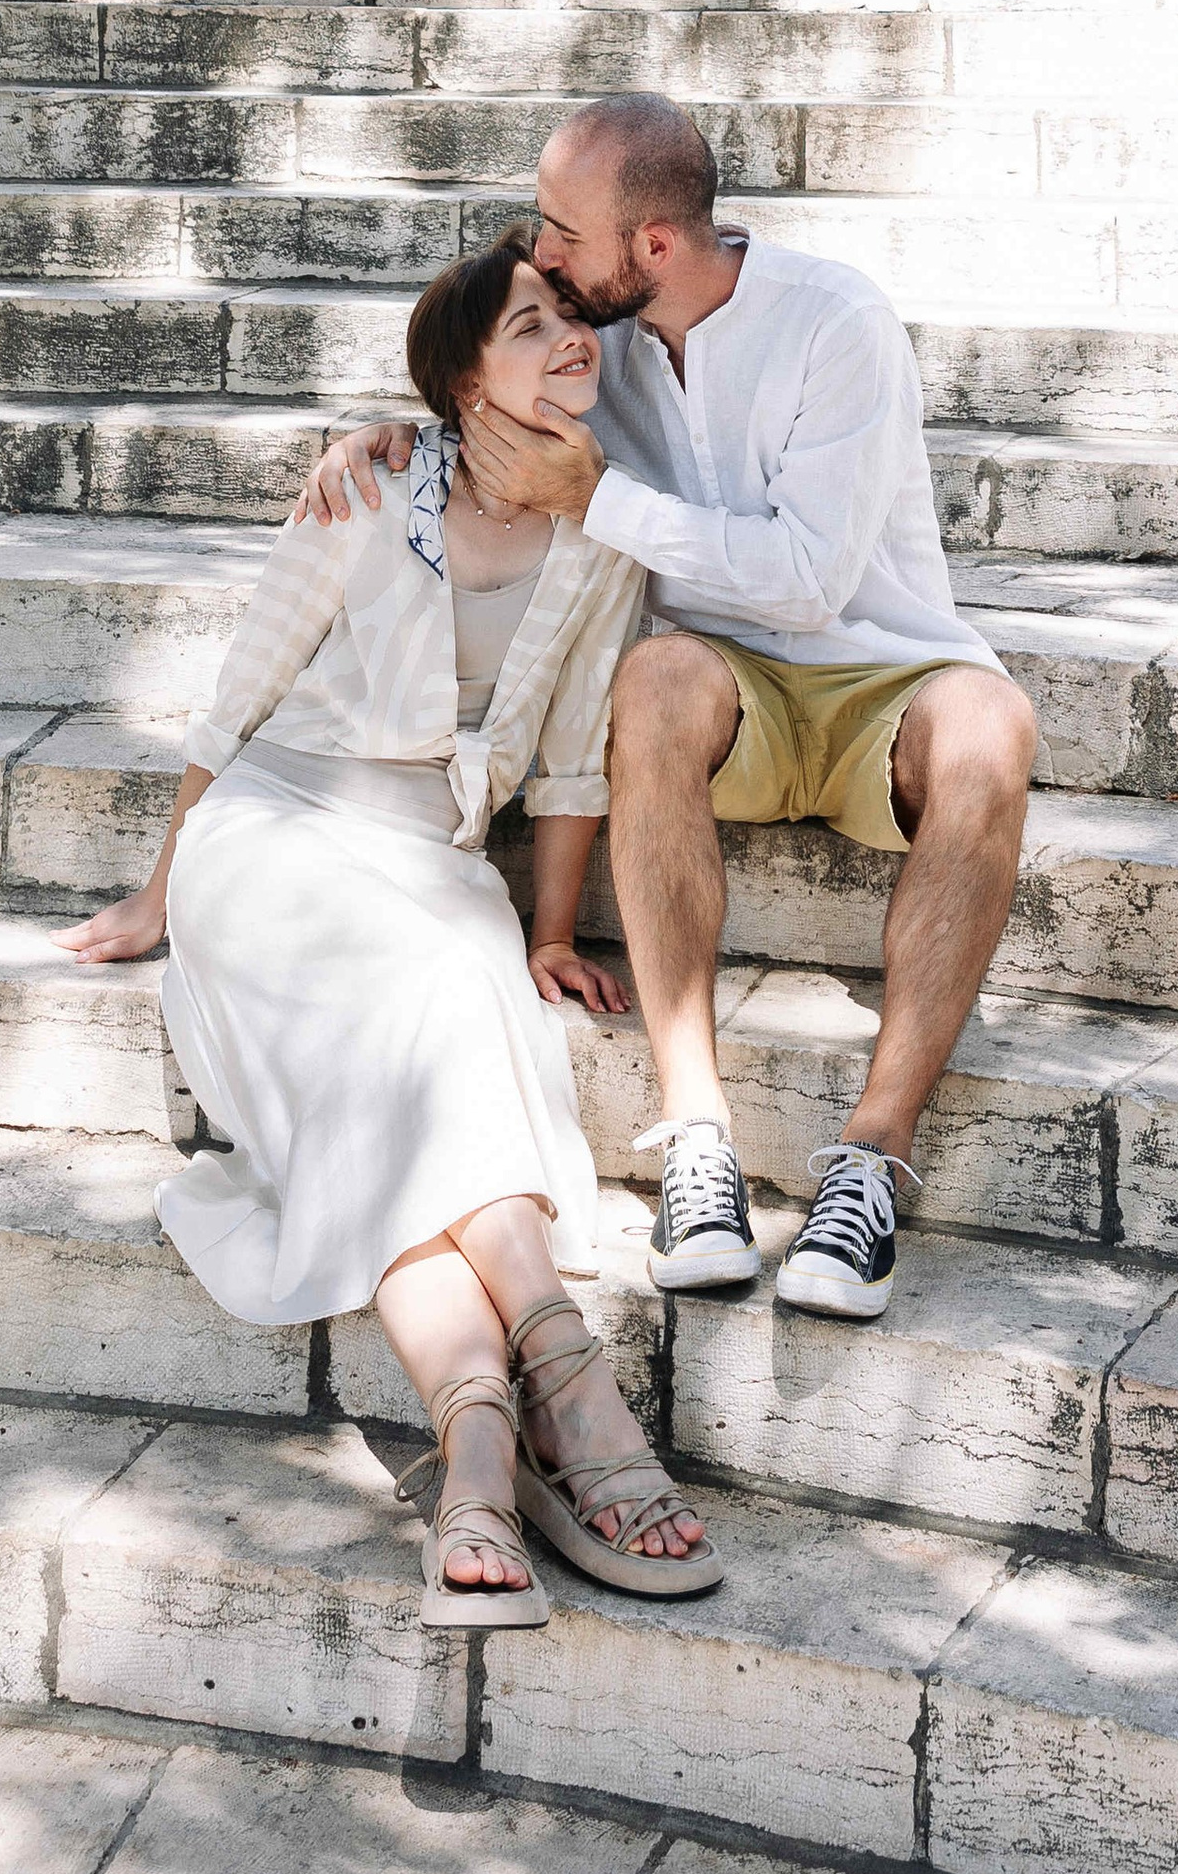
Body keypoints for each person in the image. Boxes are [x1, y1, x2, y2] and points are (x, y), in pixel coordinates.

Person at [57, 227, 718, 1628]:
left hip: (433, 857)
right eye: (531, 327)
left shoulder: (613, 528)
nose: (571, 342)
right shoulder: (371, 489)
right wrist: (159, 888)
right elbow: (239, 695)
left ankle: (478, 1446)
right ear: (466, 379)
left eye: (572, 322)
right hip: (279, 834)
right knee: (416, 1026)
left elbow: (585, 760)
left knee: (439, 1027)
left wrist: (550, 923)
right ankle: (569, 1389)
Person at [296, 94, 1038, 1328]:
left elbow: (810, 580)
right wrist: (399, 438)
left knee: (992, 725)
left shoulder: (833, 323)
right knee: (650, 677)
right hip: (714, 689)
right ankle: (696, 1137)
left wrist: (599, 500)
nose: (540, 257)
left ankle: (871, 1157)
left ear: (649, 249)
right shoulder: (599, 336)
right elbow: (489, 381)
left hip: (880, 681)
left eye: (560, 233)